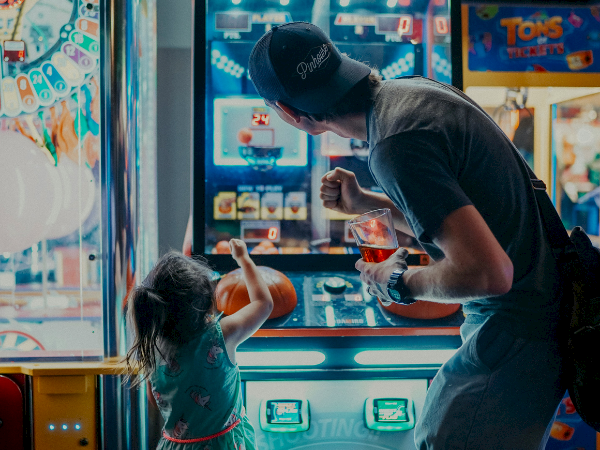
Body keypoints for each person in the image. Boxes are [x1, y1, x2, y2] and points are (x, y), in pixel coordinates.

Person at [248, 22, 566, 450]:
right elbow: (469, 222)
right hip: (534, 318)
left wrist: (396, 281)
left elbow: (489, 273)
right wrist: (364, 202)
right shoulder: (412, 95)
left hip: (515, 329)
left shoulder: (394, 143)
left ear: (288, 113)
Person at [124, 240, 273, 449]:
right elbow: (263, 304)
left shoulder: (152, 346)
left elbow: (154, 399)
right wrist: (244, 259)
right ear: (203, 300)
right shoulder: (221, 335)